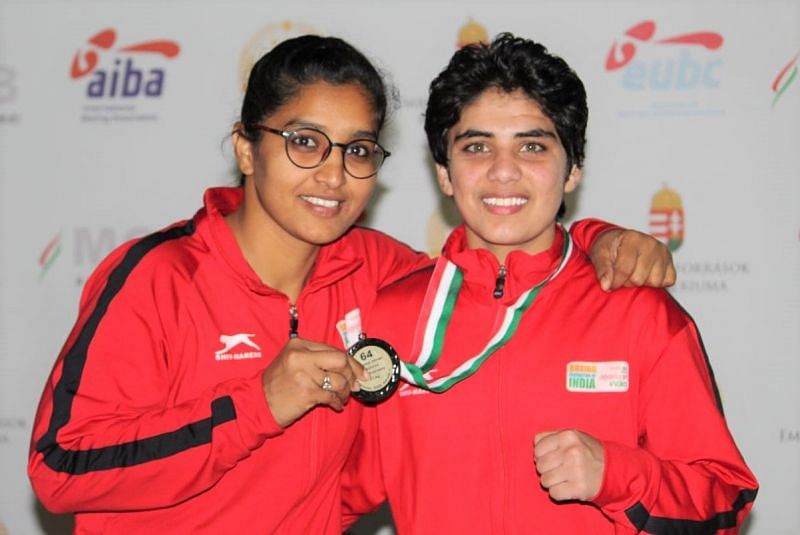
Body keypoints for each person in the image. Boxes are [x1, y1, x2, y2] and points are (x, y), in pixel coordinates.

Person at [28, 35, 673, 534]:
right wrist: (255, 404)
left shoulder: (380, 274)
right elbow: (60, 470)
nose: (333, 175)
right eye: (305, 142)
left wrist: (596, 236)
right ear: (247, 149)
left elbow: (495, 263)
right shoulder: (161, 276)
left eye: (358, 150)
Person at [341, 33, 758, 534]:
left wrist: (618, 475)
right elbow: (328, 493)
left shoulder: (638, 312)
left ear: (573, 170)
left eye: (532, 146)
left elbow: (724, 503)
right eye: (476, 146)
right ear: (445, 173)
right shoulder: (390, 316)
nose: (503, 171)